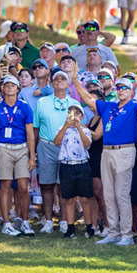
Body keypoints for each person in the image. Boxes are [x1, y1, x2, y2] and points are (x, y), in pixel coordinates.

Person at [85, 75, 137, 246]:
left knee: (122, 194)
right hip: (107, 151)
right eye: (119, 88)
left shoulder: (133, 106)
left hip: (125, 150)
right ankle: (113, 232)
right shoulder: (110, 107)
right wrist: (75, 80)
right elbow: (90, 100)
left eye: (125, 88)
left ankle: (127, 234)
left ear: (131, 92)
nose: (121, 91)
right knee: (109, 194)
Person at [0, 75, 37, 237]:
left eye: (12, 85)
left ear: (18, 89)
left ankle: (25, 220)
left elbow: (30, 133)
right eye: (6, 85)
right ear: (2, 89)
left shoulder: (24, 107)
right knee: (5, 185)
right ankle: (6, 222)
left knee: (23, 186)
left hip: (21, 148)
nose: (9, 87)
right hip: (3, 148)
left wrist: (31, 156)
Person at [34, 71, 81, 231]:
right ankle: (48, 220)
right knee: (47, 184)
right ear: (52, 83)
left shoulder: (74, 103)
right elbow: (35, 128)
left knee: (64, 185)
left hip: (67, 147)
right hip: (46, 145)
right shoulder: (42, 102)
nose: (59, 81)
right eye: (56, 79)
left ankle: (64, 220)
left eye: (63, 79)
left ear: (68, 84)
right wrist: (32, 151)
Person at [53, 104, 94, 238]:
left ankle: (89, 226)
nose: (74, 116)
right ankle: (70, 228)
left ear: (81, 117)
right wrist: (66, 126)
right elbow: (56, 142)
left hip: (82, 165)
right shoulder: (62, 129)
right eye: (71, 113)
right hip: (67, 165)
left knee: (85, 198)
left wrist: (79, 128)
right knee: (69, 198)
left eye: (77, 113)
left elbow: (87, 144)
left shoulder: (85, 130)